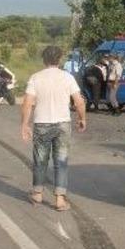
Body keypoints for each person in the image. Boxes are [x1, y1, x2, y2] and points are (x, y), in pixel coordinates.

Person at [21, 46, 86, 211]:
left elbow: (28, 102)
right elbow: (79, 101)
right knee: (61, 162)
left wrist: (25, 124)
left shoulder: (35, 78)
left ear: (44, 60)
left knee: (40, 160)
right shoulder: (67, 77)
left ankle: (37, 193)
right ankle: (59, 200)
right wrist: (82, 118)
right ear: (60, 59)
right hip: (63, 124)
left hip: (41, 124)